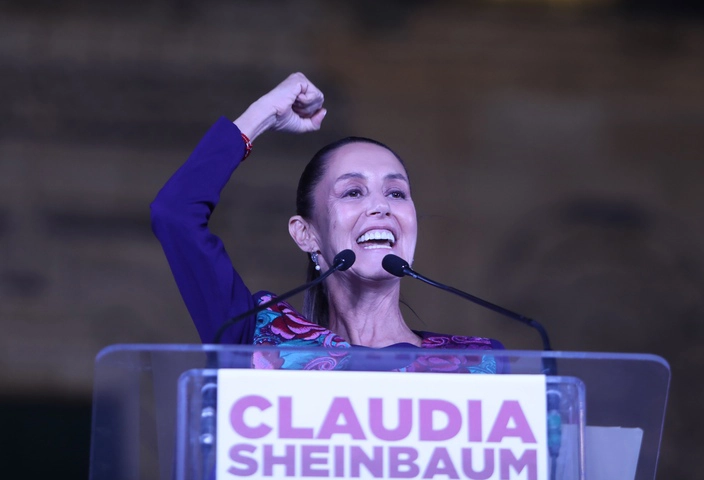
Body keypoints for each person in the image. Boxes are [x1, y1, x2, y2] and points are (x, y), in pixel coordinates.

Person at [151, 73, 503, 371]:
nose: (381, 206)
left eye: (396, 193)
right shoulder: (260, 341)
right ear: (305, 234)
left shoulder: (475, 366)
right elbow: (176, 214)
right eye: (353, 192)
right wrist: (263, 114)